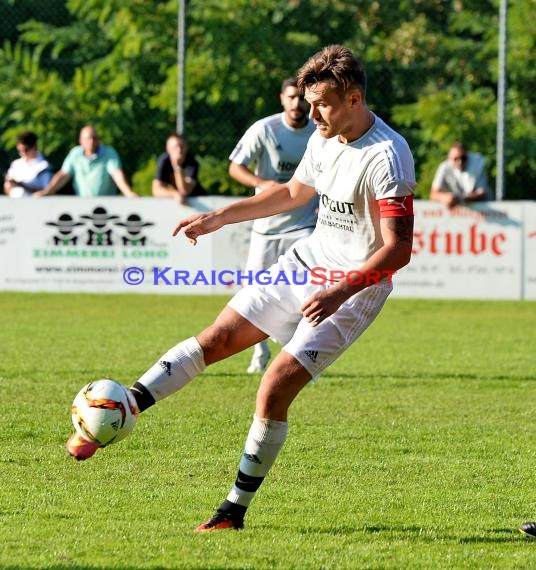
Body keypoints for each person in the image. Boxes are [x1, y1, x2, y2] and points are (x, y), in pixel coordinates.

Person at [65, 44, 416, 533]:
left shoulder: (387, 156)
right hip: (308, 261)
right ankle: (118, 413)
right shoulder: (325, 135)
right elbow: (295, 193)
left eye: (322, 104)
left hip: (353, 288)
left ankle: (232, 512)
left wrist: (338, 293)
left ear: (354, 98)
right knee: (217, 338)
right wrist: (220, 217)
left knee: (272, 388)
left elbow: (398, 249)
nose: (311, 113)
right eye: (308, 102)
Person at [229, 76, 317, 373]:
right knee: (254, 291)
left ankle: (300, 355)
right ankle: (260, 351)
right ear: (282, 99)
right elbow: (235, 167)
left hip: (304, 226)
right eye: (291, 97)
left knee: (306, 290)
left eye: (302, 98)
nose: (297, 103)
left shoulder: (320, 131)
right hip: (266, 227)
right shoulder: (265, 129)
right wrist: (261, 183)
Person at [33, 125, 137, 198]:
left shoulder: (109, 153)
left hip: (107, 206)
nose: (91, 142)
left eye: (94, 138)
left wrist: (128, 193)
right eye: (88, 139)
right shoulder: (75, 154)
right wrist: (47, 192)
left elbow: (116, 174)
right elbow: (63, 175)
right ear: (81, 141)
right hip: (83, 205)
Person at [430, 142, 490, 209]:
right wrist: (445, 197)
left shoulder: (478, 163)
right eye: (456, 159)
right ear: (449, 158)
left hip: (484, 211)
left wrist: (459, 199)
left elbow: (482, 193)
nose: (460, 162)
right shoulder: (444, 167)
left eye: (463, 158)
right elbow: (433, 194)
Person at [152, 134, 207, 204]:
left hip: (200, 202)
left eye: (182, 146)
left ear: (186, 148)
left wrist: (177, 167)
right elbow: (156, 190)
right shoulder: (164, 161)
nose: (179, 150)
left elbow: (184, 191)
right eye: (175, 147)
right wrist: (174, 194)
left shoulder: (192, 162)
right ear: (168, 149)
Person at [3, 131, 53, 198]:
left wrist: (20, 185)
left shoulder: (44, 166)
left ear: (35, 146)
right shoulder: (16, 164)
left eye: (26, 150)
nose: (23, 153)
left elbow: (46, 191)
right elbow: (7, 188)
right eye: (20, 151)